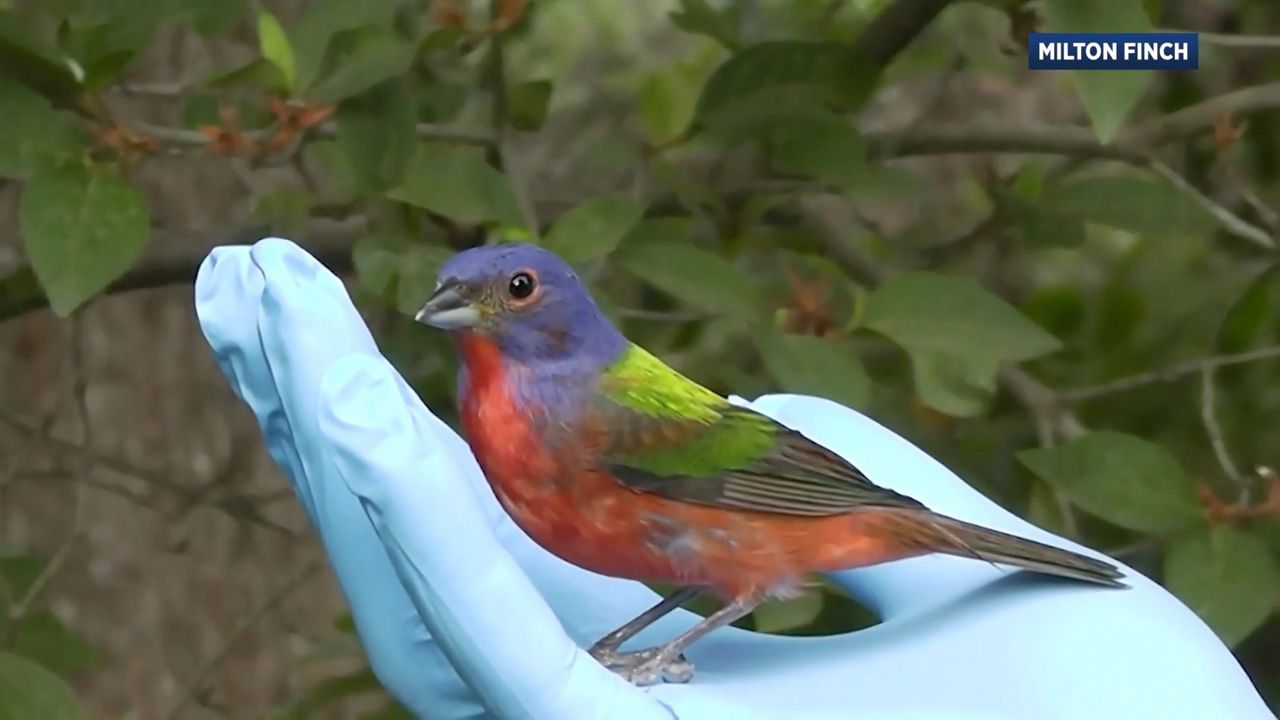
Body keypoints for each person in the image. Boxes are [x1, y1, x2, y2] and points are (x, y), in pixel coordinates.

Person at [194, 238, 1273, 720]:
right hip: (709, 528)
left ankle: (656, 653)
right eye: (461, 292)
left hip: (782, 509)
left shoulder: (607, 406)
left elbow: (734, 510)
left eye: (508, 289)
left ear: (555, 302)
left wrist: (662, 658)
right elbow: (649, 543)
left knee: (729, 579)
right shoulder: (497, 412)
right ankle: (634, 645)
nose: (474, 305)